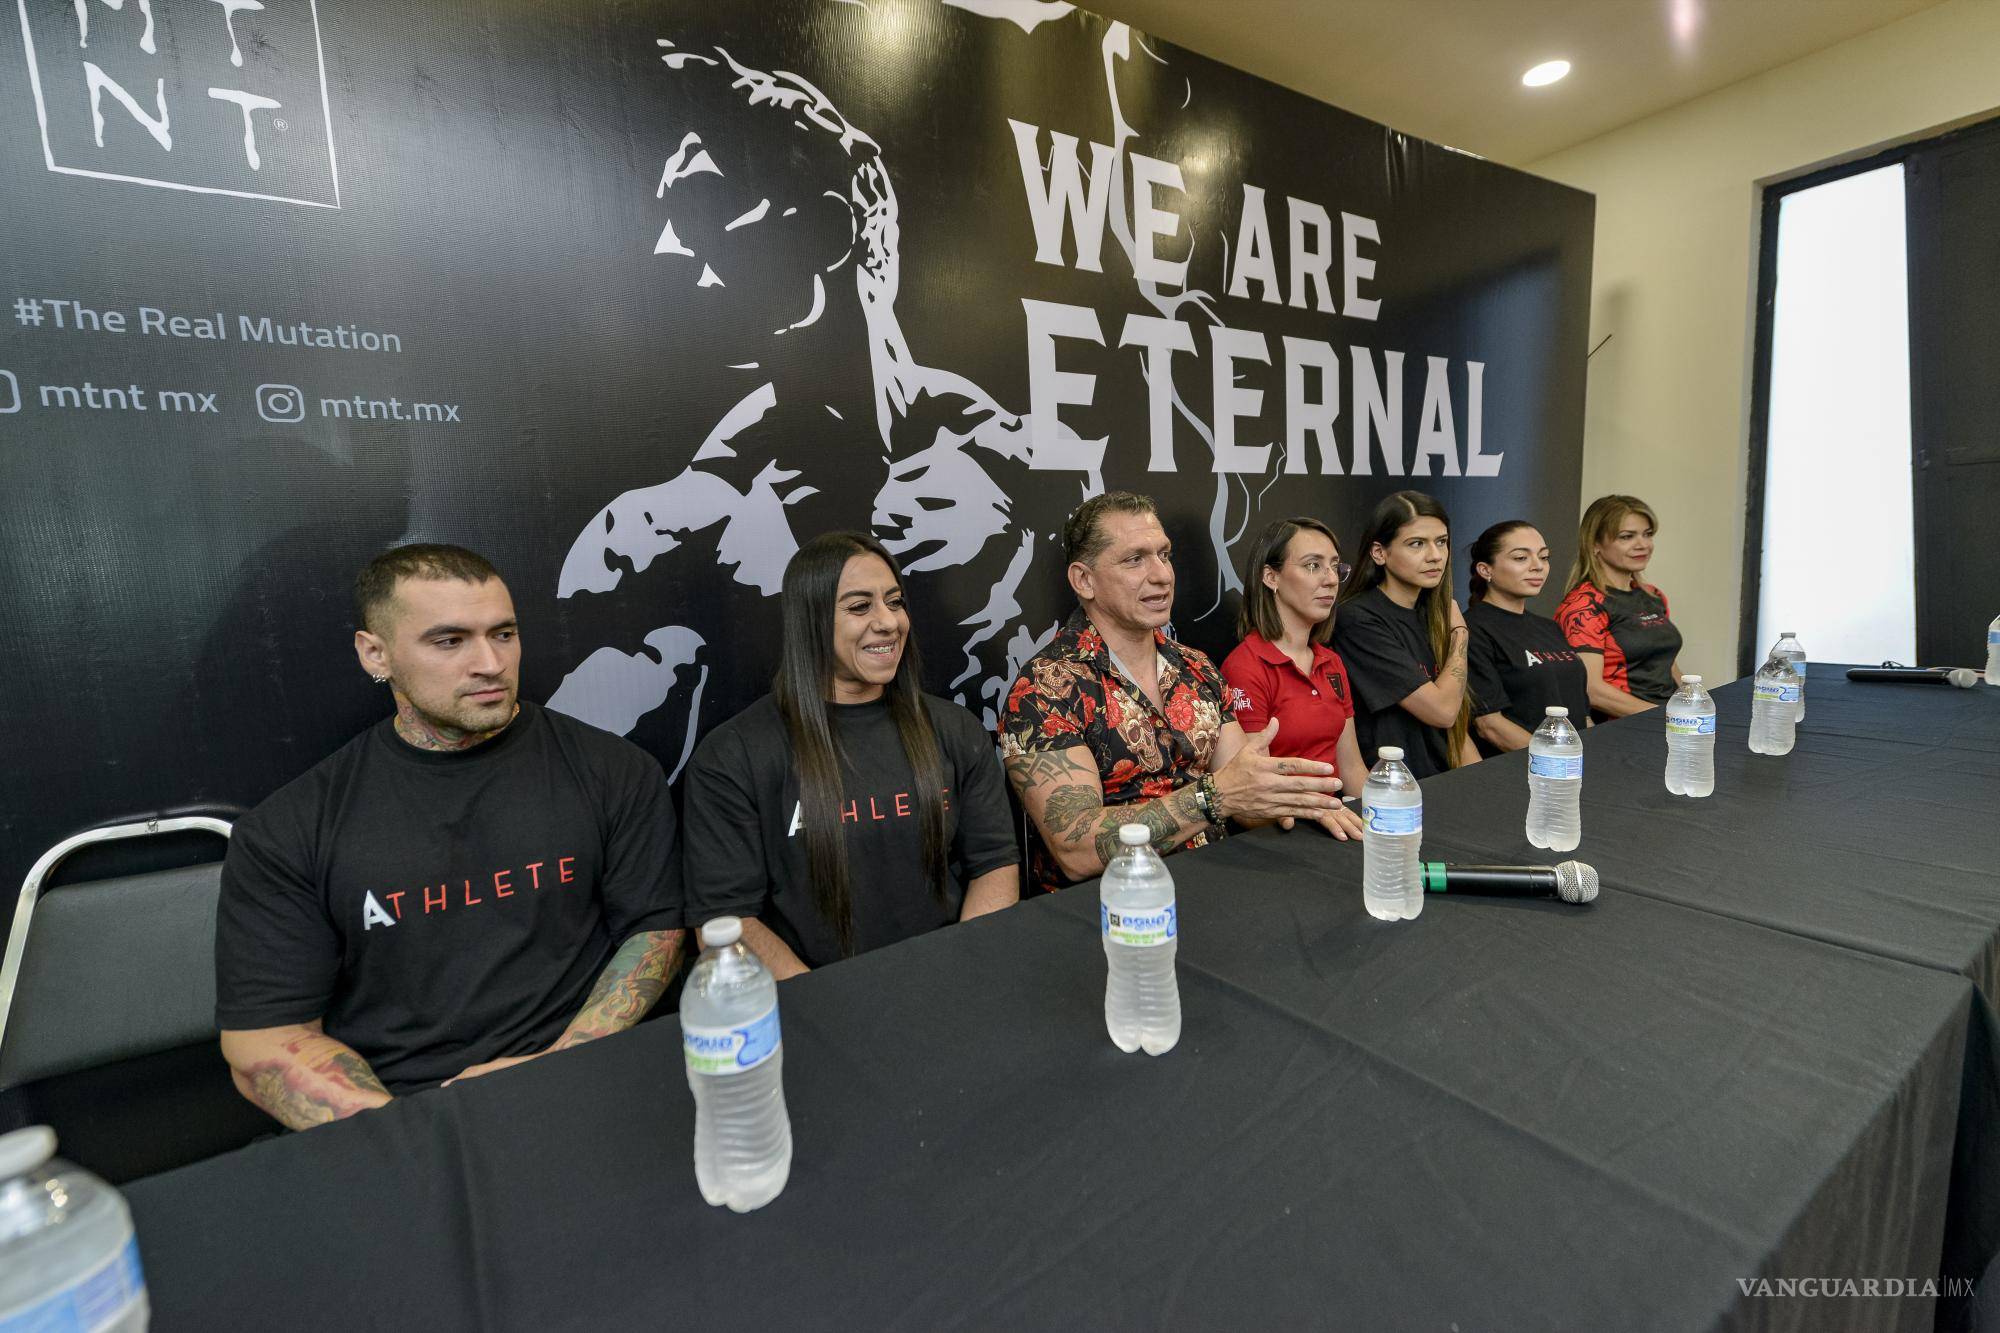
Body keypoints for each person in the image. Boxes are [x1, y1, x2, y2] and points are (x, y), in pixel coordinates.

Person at [214, 545, 686, 1130]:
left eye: (504, 634)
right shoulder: (292, 827)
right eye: (449, 641)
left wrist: (559, 1066)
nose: (490, 662)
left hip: (588, 1077)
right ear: (375, 654)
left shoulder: (614, 770)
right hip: (404, 1114)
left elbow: (656, 931)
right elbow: (267, 1041)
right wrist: (421, 1134)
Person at [680, 532, 1021, 977]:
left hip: (950, 988)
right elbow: (725, 923)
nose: (889, 622)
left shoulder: (954, 730)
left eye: (895, 602)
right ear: (810, 621)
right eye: (860, 607)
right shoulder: (732, 757)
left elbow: (994, 864)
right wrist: (823, 1005)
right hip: (811, 1012)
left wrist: (961, 970)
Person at [1000, 493, 1364, 896]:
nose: (1162, 575)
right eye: (1134, 559)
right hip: (1114, 913)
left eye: (1164, 555)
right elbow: (1076, 849)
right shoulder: (1044, 689)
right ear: (1084, 580)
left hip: (1221, 886)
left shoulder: (1196, 668)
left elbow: (1244, 796)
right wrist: (1215, 797)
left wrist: (1296, 800)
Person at [1220, 517, 1370, 814]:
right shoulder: (1245, 667)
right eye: (1313, 565)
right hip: (1283, 827)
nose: (1330, 579)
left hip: (1337, 818)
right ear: (1271, 577)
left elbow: (1352, 768)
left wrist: (1389, 820)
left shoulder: (1331, 661)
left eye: (1334, 567)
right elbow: (1252, 790)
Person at [1333, 491, 1478, 777]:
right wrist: (1461, 633)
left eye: (1441, 542)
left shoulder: (1434, 614)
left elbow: (1457, 728)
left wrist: (1482, 783)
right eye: (1416, 544)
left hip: (1446, 783)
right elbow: (1443, 711)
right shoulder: (1357, 619)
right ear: (1379, 553)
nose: (1435, 556)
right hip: (1395, 792)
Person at [1464, 521, 1592, 754]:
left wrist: (1593, 756)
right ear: (1485, 570)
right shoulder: (1472, 629)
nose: (1538, 566)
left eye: (1543, 557)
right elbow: (1489, 725)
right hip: (1524, 771)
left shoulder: (1549, 627)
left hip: (1574, 768)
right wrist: (1557, 761)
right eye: (1521, 558)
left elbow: (1582, 714)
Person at [1555, 495, 1683, 715]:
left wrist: (1697, 707)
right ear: (1595, 544)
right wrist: (1668, 718)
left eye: (1647, 534)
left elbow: (1667, 664)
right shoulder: (1584, 605)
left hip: (1669, 719)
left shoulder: (1653, 595)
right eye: (1627, 537)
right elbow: (1591, 690)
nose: (1642, 545)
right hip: (1624, 725)